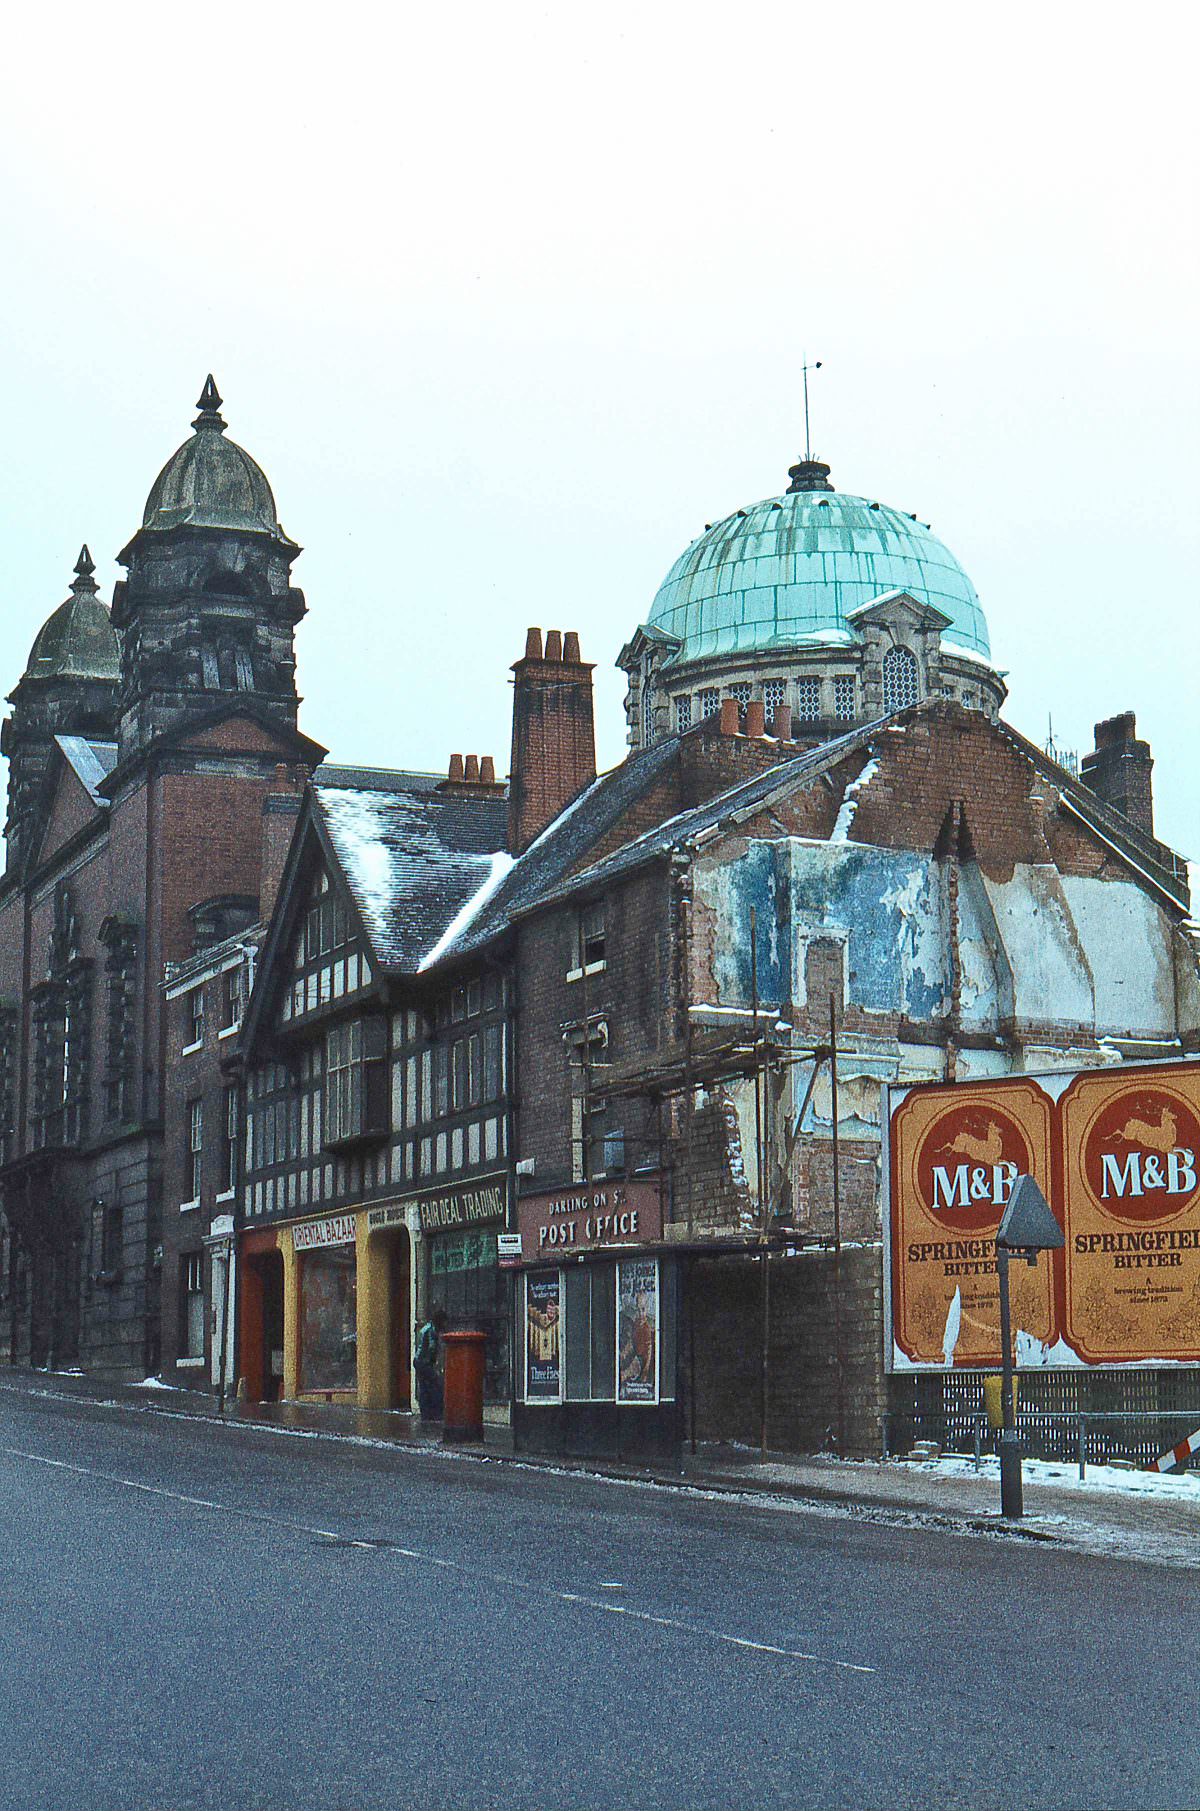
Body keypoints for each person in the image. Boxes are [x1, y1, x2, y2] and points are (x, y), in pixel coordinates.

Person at [414, 1307, 447, 1421]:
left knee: (425, 1387)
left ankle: (426, 1414)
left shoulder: (428, 1328)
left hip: (420, 1361)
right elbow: (431, 1348)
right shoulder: (431, 1331)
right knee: (434, 1386)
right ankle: (435, 1413)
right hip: (423, 1362)